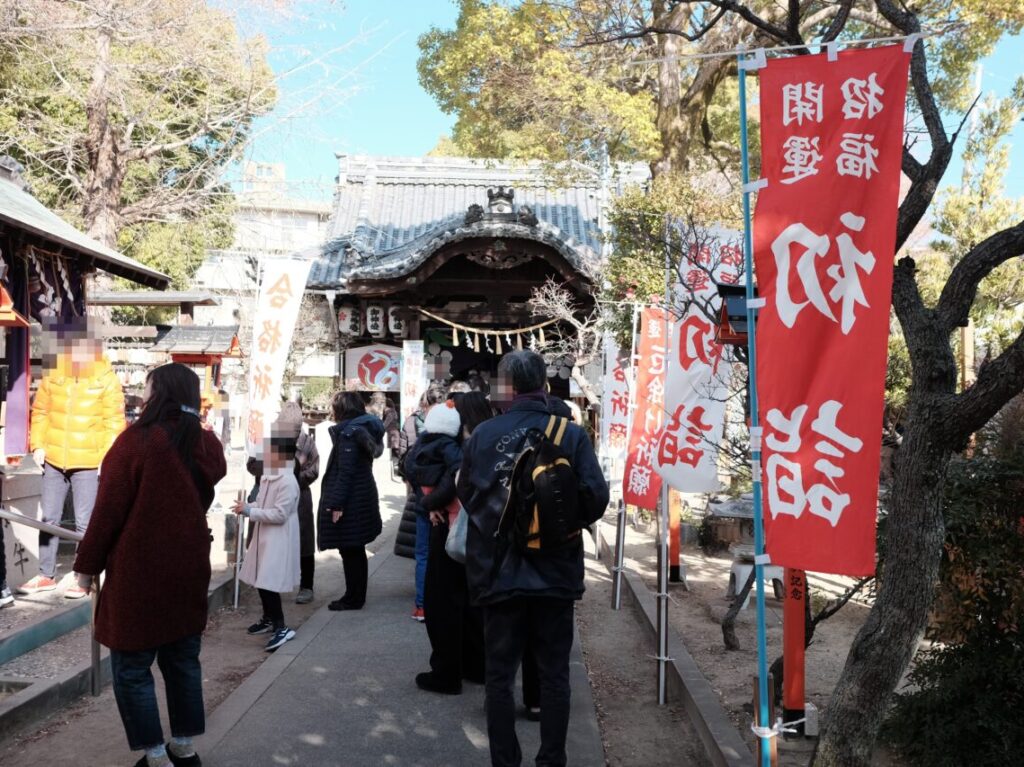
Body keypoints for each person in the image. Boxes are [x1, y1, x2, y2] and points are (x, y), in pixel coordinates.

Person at [457, 351, 609, 767]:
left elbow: (467, 493)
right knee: (555, 674)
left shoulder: (484, 434)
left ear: (506, 386)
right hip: (555, 570)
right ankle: (551, 760)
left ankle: (505, 761)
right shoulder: (570, 434)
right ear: (544, 383)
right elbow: (595, 497)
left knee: (499, 677)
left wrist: (502, 523)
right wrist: (558, 522)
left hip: (498, 571)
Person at [72, 363, 227, 767]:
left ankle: (156, 755)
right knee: (182, 662)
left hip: (139, 573)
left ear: (159, 392)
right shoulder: (206, 444)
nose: (142, 391)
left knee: (132, 668)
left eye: (147, 385)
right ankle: (184, 747)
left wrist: (85, 567)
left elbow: (107, 513)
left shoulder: (138, 442)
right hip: (188, 569)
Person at [21, 320, 125, 599]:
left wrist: (108, 457)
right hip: (54, 456)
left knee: (86, 521)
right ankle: (46, 574)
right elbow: (40, 411)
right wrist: (37, 444)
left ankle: (84, 577)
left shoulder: (106, 377)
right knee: (49, 517)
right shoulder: (55, 373)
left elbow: (113, 422)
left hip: (89, 459)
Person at [233, 413, 302, 653]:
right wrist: (250, 509)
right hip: (266, 537)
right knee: (263, 581)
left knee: (269, 582)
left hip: (278, 539)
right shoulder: (269, 477)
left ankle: (281, 626)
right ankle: (270, 619)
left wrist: (250, 511)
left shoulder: (287, 481)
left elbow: (280, 514)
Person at [318, 392, 385, 611]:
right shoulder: (364, 429)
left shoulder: (348, 434)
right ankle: (356, 595)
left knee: (350, 550)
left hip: (351, 500)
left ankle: (353, 598)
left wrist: (336, 504)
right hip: (362, 495)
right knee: (355, 549)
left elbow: (345, 472)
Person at [394, 384, 446, 619]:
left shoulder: (415, 426)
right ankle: (443, 604)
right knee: (448, 551)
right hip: (448, 499)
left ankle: (422, 605)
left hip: (424, 497)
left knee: (423, 552)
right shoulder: (454, 428)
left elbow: (406, 462)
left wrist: (419, 491)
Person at [277, 402, 320, 605]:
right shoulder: (272, 440)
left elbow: (314, 471)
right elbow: (254, 465)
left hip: (301, 497)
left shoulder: (307, 443)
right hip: (275, 497)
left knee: (304, 543)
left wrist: (294, 478)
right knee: (276, 541)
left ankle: (307, 586)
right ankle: (276, 581)